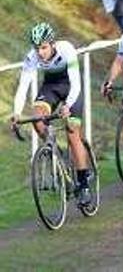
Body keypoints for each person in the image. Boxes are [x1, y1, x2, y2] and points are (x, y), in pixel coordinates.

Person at [12, 23, 93, 205]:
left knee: (72, 133)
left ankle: (84, 184)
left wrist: (68, 105)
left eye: (44, 47)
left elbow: (76, 84)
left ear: (52, 44)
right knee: (37, 118)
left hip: (71, 88)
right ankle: (56, 151)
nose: (40, 52)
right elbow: (23, 86)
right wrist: (16, 113)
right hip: (51, 87)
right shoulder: (32, 57)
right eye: (37, 48)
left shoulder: (66, 49)